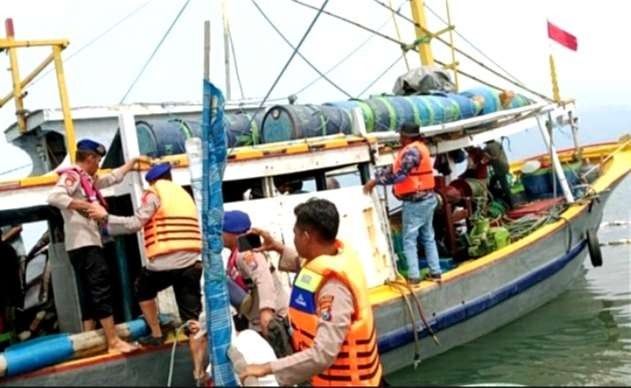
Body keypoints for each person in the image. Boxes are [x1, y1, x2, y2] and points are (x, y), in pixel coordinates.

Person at [239, 198, 383, 386]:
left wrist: (266, 368)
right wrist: (276, 247)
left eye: (296, 234)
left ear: (306, 236)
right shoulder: (334, 255)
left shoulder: (333, 288)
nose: (294, 239)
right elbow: (303, 265)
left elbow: (324, 353)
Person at [88, 162, 205, 371]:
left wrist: (105, 217)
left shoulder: (154, 192)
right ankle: (199, 370)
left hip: (166, 261)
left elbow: (135, 223)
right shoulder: (184, 194)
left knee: (142, 287)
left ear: (152, 180)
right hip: (193, 262)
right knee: (192, 321)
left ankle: (156, 333)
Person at [47, 139, 139, 353]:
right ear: (89, 158)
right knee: (100, 288)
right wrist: (86, 206)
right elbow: (54, 196)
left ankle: (89, 338)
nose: (99, 164)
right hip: (84, 244)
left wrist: (130, 163)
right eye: (98, 159)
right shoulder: (73, 176)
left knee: (89, 291)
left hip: (81, 245)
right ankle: (113, 341)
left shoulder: (87, 180)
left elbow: (111, 179)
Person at [363, 123, 442, 284]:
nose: (399, 138)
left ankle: (414, 276)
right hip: (428, 198)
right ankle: (436, 272)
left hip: (416, 202)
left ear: (406, 137)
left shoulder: (411, 151)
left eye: (401, 135)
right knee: (428, 237)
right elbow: (394, 170)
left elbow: (400, 176)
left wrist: (375, 182)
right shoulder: (420, 148)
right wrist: (381, 175)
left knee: (409, 239)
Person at [222, 210, 291, 357]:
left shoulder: (245, 253)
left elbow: (263, 278)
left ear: (232, 232)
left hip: (273, 320)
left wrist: (266, 311)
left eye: (222, 231)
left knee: (281, 361)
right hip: (258, 320)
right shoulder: (238, 252)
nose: (219, 235)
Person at [483, 139, 514, 209]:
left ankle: (511, 204)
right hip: (505, 165)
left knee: (504, 186)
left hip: (499, 168)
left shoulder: (487, 148)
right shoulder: (498, 143)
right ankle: (508, 201)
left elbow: (487, 159)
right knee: (494, 181)